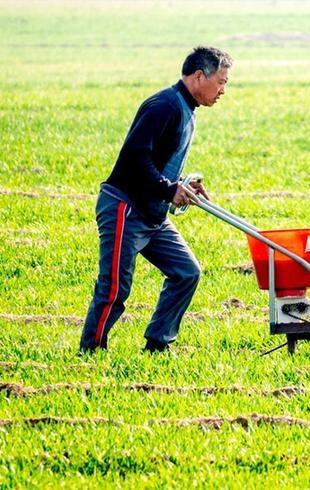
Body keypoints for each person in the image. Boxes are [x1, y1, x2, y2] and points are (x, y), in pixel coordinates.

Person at [79, 46, 233, 354]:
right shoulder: (164, 105)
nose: (223, 90)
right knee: (114, 288)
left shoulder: (186, 110)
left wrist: (184, 183)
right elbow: (135, 158)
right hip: (125, 207)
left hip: (153, 214)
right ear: (199, 76)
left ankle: (157, 344)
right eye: (221, 81)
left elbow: (159, 161)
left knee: (186, 272)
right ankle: (91, 352)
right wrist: (168, 189)